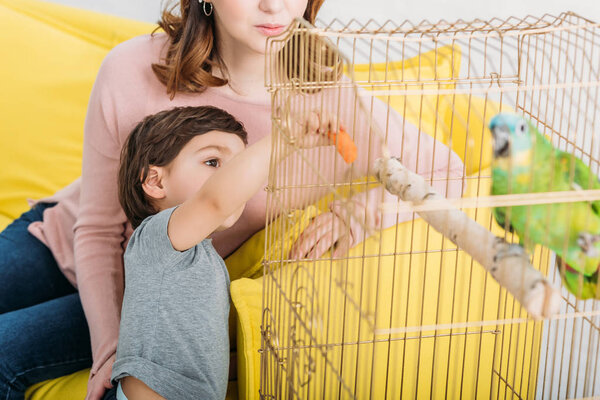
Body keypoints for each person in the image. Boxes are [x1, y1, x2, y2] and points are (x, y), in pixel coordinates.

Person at [0, 0, 464, 399]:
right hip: (64, 238)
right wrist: (108, 346)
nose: (274, 5)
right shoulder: (130, 68)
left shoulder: (334, 104)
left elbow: (448, 171)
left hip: (153, 293)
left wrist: (356, 215)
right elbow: (98, 229)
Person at [107, 105, 330, 400]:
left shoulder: (206, 260)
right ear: (156, 182)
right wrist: (285, 138)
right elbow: (215, 200)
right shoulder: (154, 236)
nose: (234, 181)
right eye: (213, 162)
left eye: (237, 168)